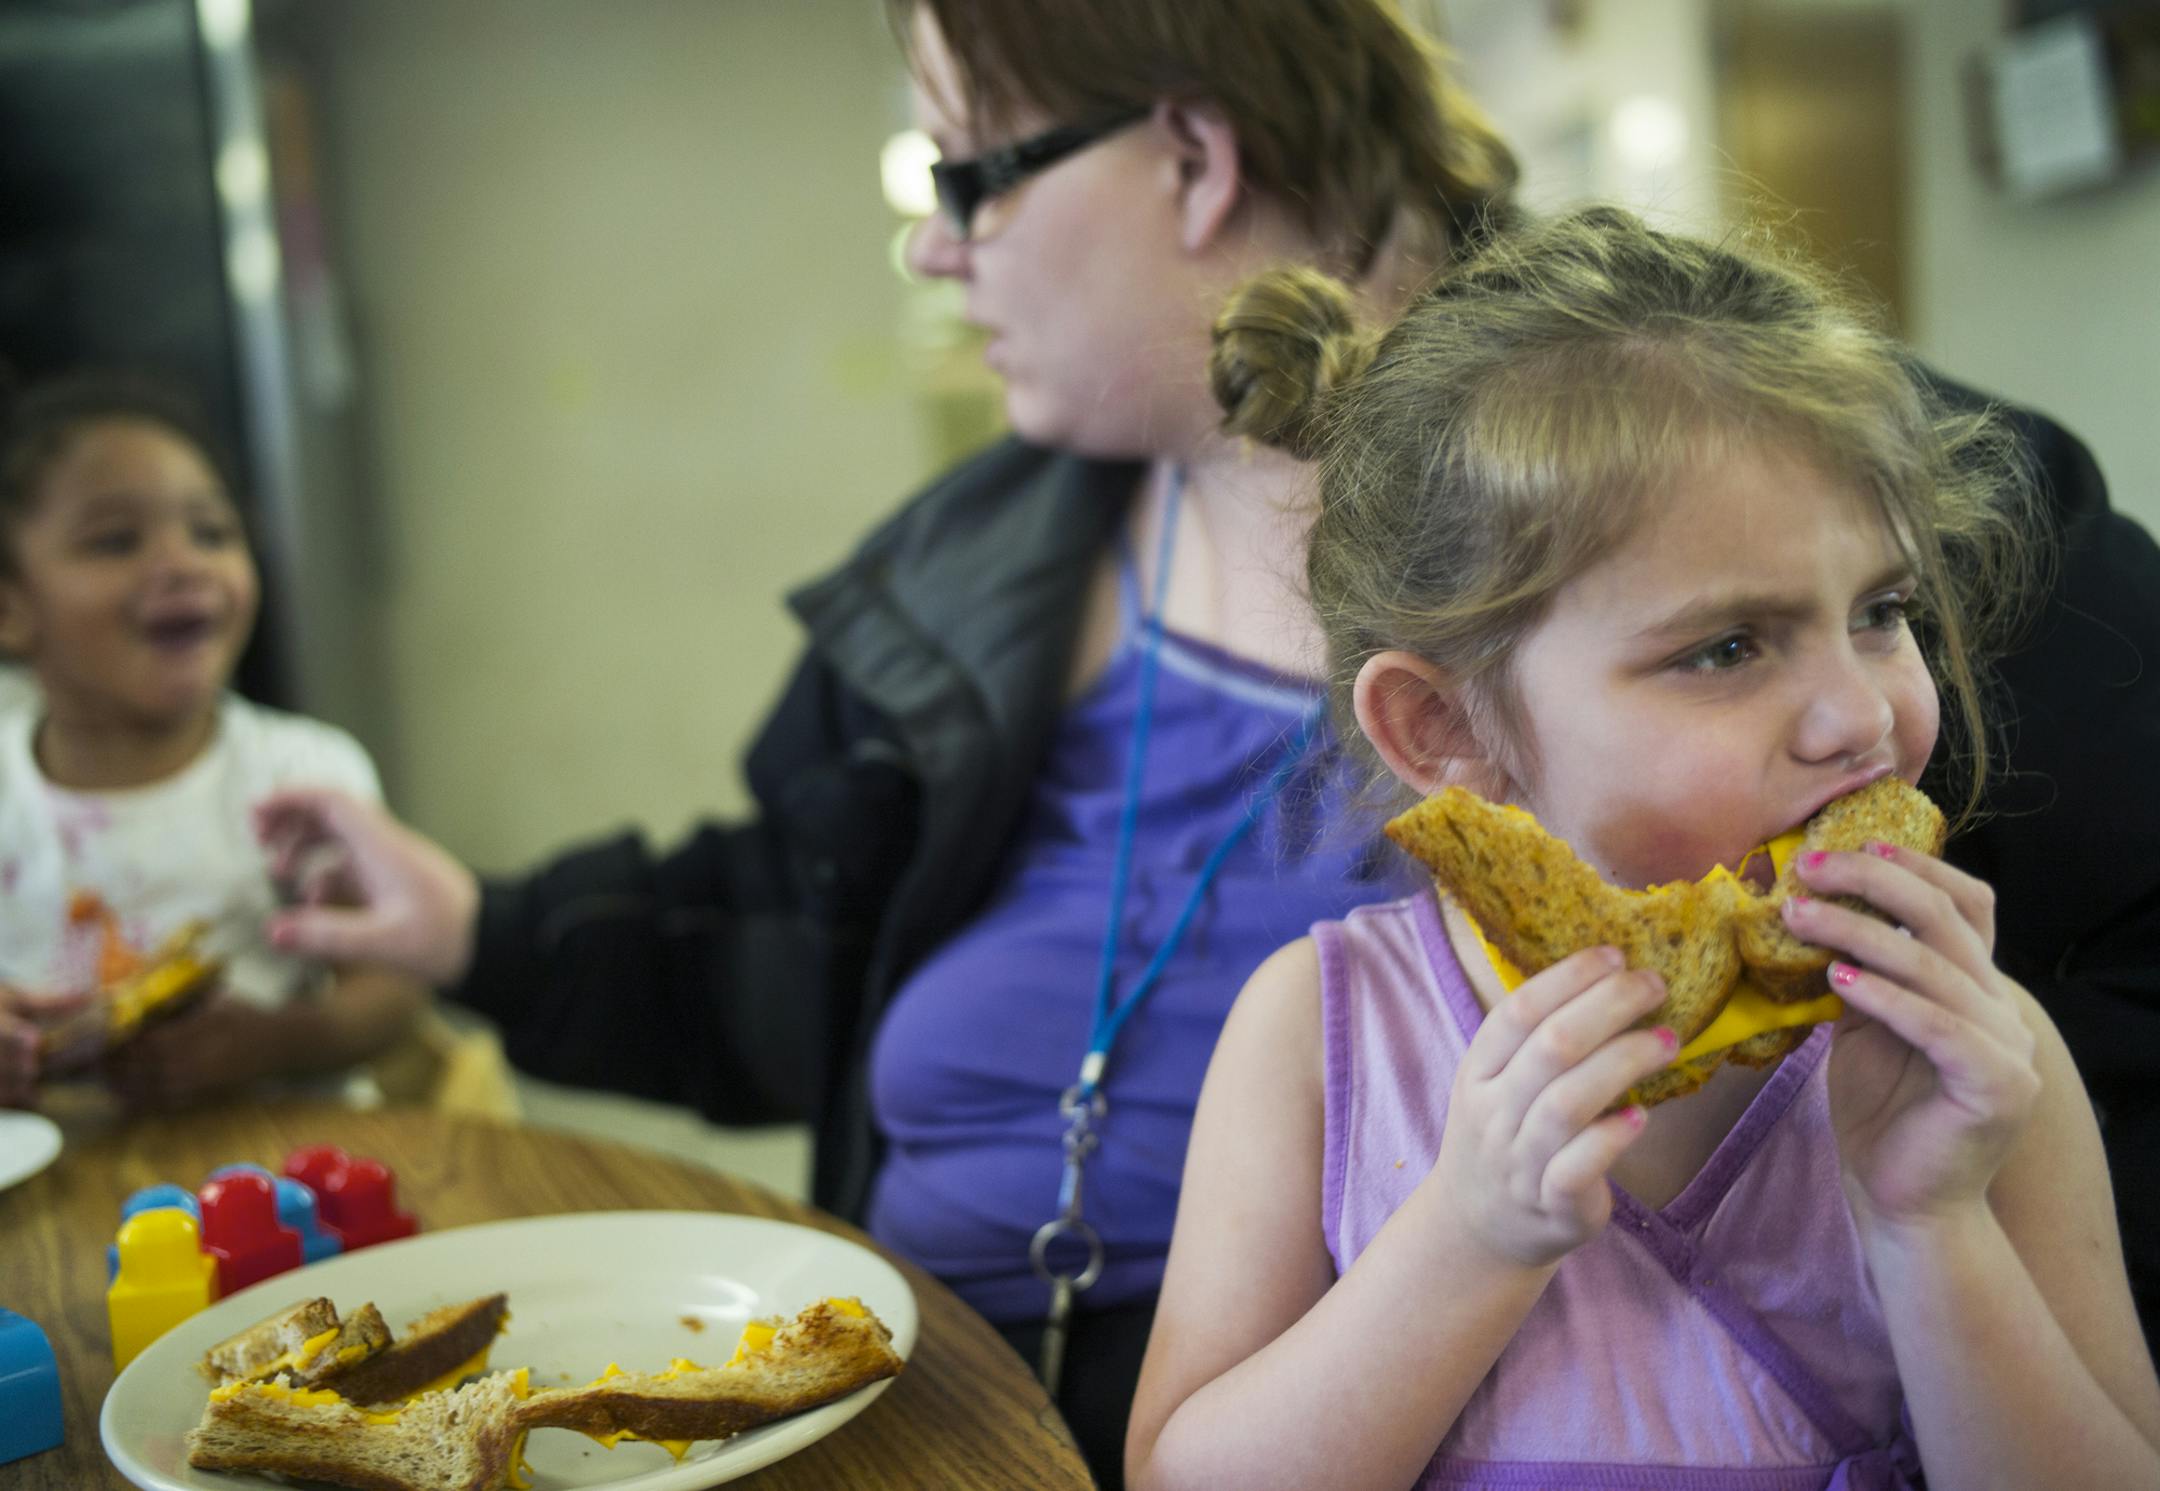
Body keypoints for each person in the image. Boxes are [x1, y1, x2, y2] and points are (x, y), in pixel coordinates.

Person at [249, 4, 1520, 1484]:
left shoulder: (1576, 590)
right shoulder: (1007, 546)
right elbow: (808, 938)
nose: (931, 243)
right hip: (903, 1406)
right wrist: (473, 924)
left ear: (1191, 157)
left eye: (969, 176)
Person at [1124, 207, 2160, 1490]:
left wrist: (1929, 1220)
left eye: (1881, 613)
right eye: (1727, 648)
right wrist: (1467, 1240)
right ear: (1444, 725)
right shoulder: (1321, 1038)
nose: (1867, 719)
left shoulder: (1987, 1064)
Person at [0, 375, 428, 1112]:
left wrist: (276, 1039)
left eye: (212, 533)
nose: (181, 562)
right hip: (54, 1185)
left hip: (284, 1175)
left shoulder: (301, 778)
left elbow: (393, 985)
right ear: (10, 609)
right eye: (116, 541)